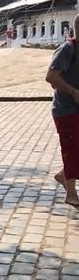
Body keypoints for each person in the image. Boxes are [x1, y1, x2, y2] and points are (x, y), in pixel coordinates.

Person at [46, 12, 79, 208]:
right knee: (71, 148)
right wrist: (73, 92)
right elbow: (51, 77)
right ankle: (71, 192)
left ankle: (63, 175)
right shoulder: (68, 48)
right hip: (66, 109)